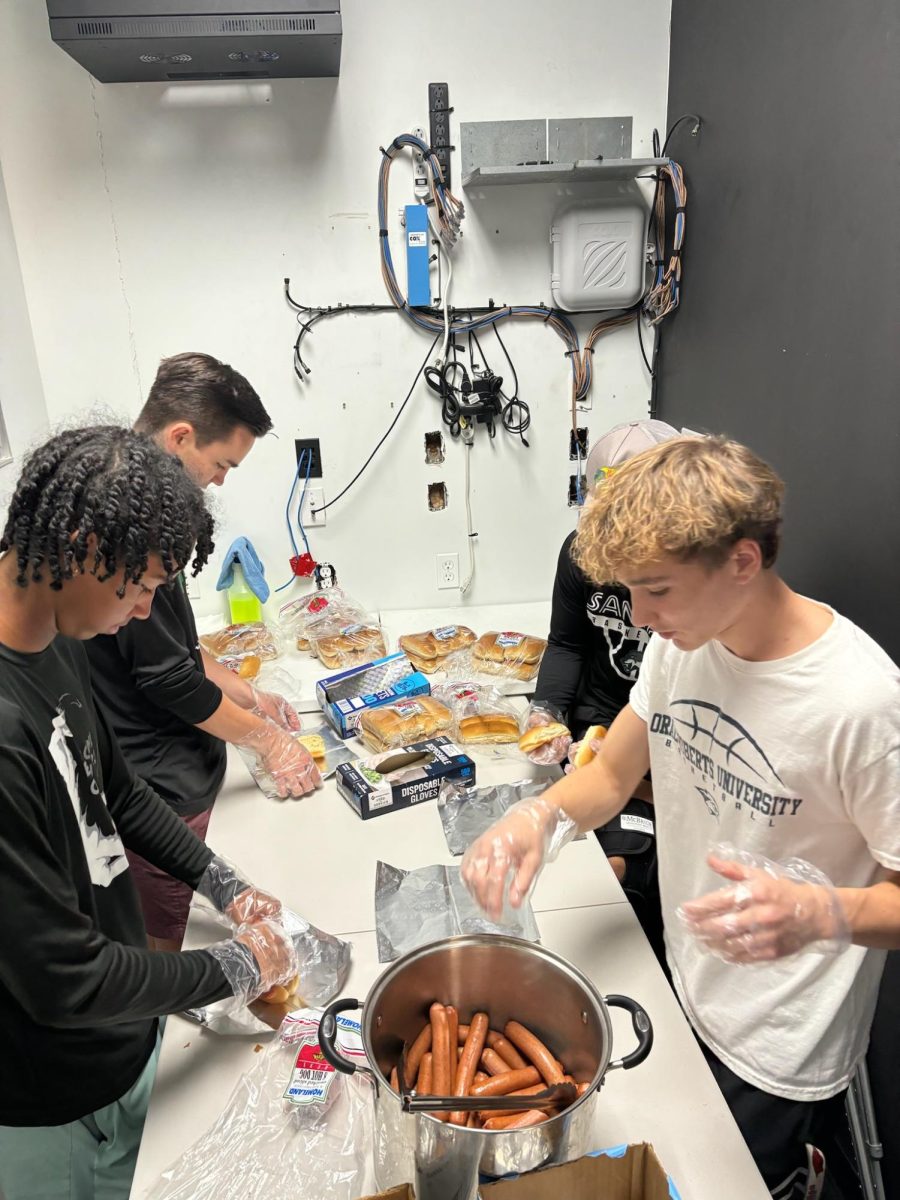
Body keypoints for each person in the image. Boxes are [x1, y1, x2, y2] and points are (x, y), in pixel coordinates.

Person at [463, 435, 900, 1200]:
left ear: (741, 559)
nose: (639, 615)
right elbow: (612, 775)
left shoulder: (860, 703)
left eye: (656, 590)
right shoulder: (681, 646)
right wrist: (539, 817)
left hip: (778, 1045)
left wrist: (823, 911)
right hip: (682, 980)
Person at [0, 426, 298, 1200]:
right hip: (52, 1094)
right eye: (138, 589)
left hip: (124, 1044)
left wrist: (220, 882)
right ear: (82, 544)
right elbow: (65, 981)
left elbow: (119, 791)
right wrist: (232, 966)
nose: (140, 614)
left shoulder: (56, 639)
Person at [85, 352, 321, 952]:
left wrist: (247, 694)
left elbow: (179, 650)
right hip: (159, 783)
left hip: (173, 788)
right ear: (180, 436)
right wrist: (265, 739)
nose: (221, 480)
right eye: (221, 464)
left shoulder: (154, 516)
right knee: (165, 947)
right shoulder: (125, 522)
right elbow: (166, 678)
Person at [524, 420, 680, 962]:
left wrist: (636, 779)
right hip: (598, 731)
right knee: (564, 882)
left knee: (618, 878)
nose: (639, 612)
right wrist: (547, 711)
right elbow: (566, 643)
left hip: (657, 754)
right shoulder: (579, 555)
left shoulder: (699, 611)